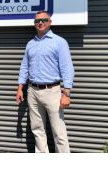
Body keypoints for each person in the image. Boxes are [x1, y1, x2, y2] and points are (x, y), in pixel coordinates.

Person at [16, 10, 74, 153]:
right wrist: (20, 87)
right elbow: (24, 66)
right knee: (37, 129)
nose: (40, 23)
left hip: (52, 91)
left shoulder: (59, 42)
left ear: (50, 22)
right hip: (33, 91)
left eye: (43, 20)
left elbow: (67, 68)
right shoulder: (30, 44)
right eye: (37, 21)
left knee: (58, 131)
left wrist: (66, 93)